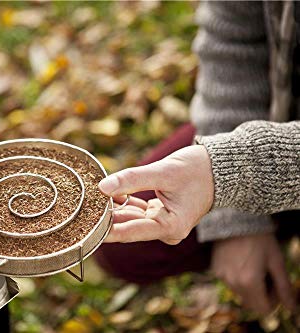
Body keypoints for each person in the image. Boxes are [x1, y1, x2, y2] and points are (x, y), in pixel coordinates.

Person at [96, 1, 300, 315]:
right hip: (279, 120)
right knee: (123, 244)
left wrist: (231, 175)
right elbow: (233, 39)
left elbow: (231, 171)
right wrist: (238, 220)